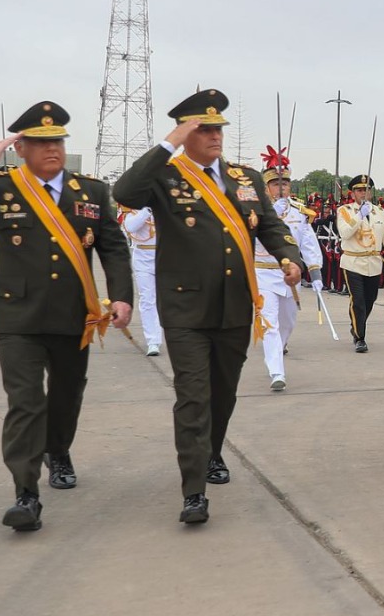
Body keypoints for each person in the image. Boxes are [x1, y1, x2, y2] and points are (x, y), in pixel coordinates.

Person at [0, 101, 133, 532]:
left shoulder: (92, 192)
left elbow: (113, 247)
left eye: (58, 141)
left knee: (66, 396)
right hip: (17, 316)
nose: (53, 149)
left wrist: (121, 297)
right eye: (42, 143)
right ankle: (25, 494)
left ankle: (58, 450)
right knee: (25, 403)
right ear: (21, 148)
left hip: (73, 315)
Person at [113, 89, 305, 525]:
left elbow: (270, 226)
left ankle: (213, 449)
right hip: (185, 310)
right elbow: (125, 190)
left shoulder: (245, 177)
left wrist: (288, 256)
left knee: (222, 392)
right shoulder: (165, 175)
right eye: (204, 129)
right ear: (186, 132)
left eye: (218, 128)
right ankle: (194, 489)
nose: (216, 136)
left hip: (235, 305)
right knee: (193, 396)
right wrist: (168, 143)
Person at [258, 150, 325, 391]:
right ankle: (277, 371)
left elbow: (308, 244)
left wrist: (315, 274)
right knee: (270, 324)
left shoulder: (298, 212)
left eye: (284, 183)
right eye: (275, 183)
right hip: (263, 272)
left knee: (288, 321)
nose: (281, 188)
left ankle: (279, 347)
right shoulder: (256, 211)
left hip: (290, 275)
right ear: (266, 186)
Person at [337, 174, 384, 352]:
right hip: (353, 261)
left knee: (370, 300)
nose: (363, 193)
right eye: (359, 190)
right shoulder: (345, 211)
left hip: (374, 262)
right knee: (358, 301)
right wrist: (360, 216)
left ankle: (356, 324)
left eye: (366, 190)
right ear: (352, 193)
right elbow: (345, 234)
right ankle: (360, 337)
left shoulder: (380, 212)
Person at [120, 205, 164, 355]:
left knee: (170, 299)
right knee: (147, 299)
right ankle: (153, 341)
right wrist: (147, 210)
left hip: (165, 257)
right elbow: (130, 226)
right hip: (143, 258)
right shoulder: (132, 206)